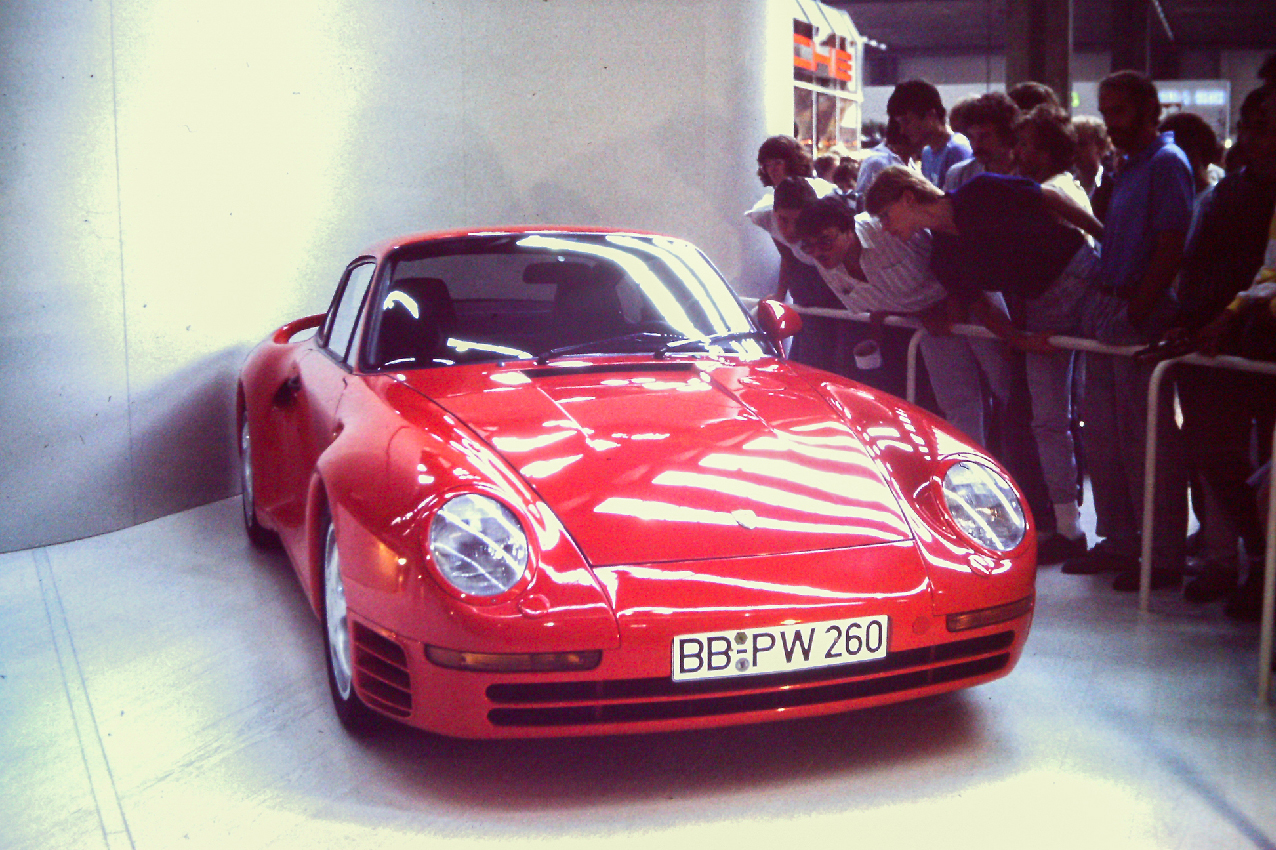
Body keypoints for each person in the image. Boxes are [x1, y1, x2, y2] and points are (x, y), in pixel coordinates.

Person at [864, 165, 1104, 557]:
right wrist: (1022, 340)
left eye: (887, 216)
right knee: (1046, 420)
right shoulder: (943, 257)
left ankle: (1112, 534)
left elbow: (1051, 198)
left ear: (908, 198)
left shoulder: (982, 191)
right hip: (1040, 308)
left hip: (1084, 276)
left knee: (1099, 409)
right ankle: (1069, 529)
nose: (887, 228)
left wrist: (1105, 240)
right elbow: (983, 309)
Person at [1063, 70, 1194, 592]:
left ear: (1147, 110)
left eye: (1118, 111)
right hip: (1109, 310)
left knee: (1146, 441)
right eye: (1105, 111)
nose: (1110, 123)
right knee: (1103, 437)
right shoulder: (1128, 166)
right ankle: (1119, 540)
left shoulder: (1167, 163)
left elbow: (1171, 243)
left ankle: (1162, 553)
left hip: (1139, 314)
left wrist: (1140, 310)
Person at [1167, 84, 1276, 614]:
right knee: (1213, 452)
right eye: (1251, 127)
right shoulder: (1228, 192)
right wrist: (1193, 321)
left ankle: (1262, 572)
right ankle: (1245, 559)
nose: (1255, 139)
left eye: (1265, 128)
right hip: (1219, 344)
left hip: (1259, 344)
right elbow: (1200, 266)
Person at [795, 195, 1013, 447]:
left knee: (1007, 384)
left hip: (973, 298)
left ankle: (1024, 461)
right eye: (808, 246)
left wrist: (956, 301)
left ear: (848, 229)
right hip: (928, 320)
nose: (817, 252)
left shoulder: (885, 230)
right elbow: (875, 304)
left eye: (825, 241)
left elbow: (952, 248)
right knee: (956, 401)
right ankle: (971, 468)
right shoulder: (825, 262)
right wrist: (919, 314)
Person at [746, 137, 844, 372]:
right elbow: (787, 255)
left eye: (778, 162)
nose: (773, 170)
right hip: (807, 289)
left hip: (835, 283)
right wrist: (780, 295)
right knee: (807, 351)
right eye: (768, 165)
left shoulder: (820, 193)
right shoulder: (768, 211)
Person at [887, 79, 972, 188]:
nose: (902, 130)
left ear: (930, 116)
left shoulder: (956, 151)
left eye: (907, 122)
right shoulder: (927, 153)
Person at [944, 91, 1020, 191]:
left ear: (1007, 135)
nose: (976, 145)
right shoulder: (959, 176)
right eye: (971, 137)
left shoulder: (1027, 174)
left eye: (985, 137)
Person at [1072, 115, 1113, 196]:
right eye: (1073, 144)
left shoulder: (1112, 185)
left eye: (1082, 144)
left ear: (1100, 146)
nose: (1076, 150)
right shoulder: (1065, 186)